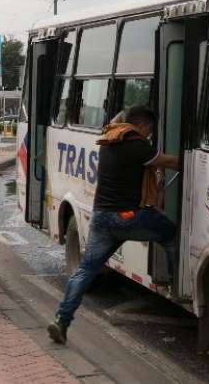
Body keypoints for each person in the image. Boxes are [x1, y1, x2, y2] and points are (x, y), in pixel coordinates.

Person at [48, 105, 179, 344]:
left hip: (101, 217)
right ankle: (173, 283)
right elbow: (167, 161)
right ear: (142, 126)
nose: (149, 135)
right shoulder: (138, 145)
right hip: (127, 217)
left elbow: (116, 119)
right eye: (149, 130)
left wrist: (127, 112)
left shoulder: (108, 138)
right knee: (170, 233)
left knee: (86, 270)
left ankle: (61, 319)